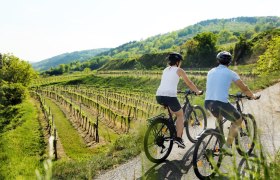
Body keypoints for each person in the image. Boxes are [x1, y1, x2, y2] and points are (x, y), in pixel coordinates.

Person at [205, 51, 258, 154]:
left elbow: (216, 85)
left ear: (218, 60)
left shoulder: (210, 71)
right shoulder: (231, 73)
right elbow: (244, 88)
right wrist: (253, 96)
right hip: (220, 103)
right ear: (229, 62)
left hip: (207, 102)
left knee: (219, 118)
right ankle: (227, 146)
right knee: (238, 120)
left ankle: (220, 139)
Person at [156, 52, 203, 149]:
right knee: (180, 114)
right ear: (177, 62)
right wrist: (197, 91)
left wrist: (175, 89)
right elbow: (189, 83)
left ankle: (170, 127)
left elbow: (167, 83)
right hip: (169, 96)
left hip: (159, 96)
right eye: (180, 62)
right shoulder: (179, 70)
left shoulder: (165, 70)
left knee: (173, 112)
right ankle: (178, 138)